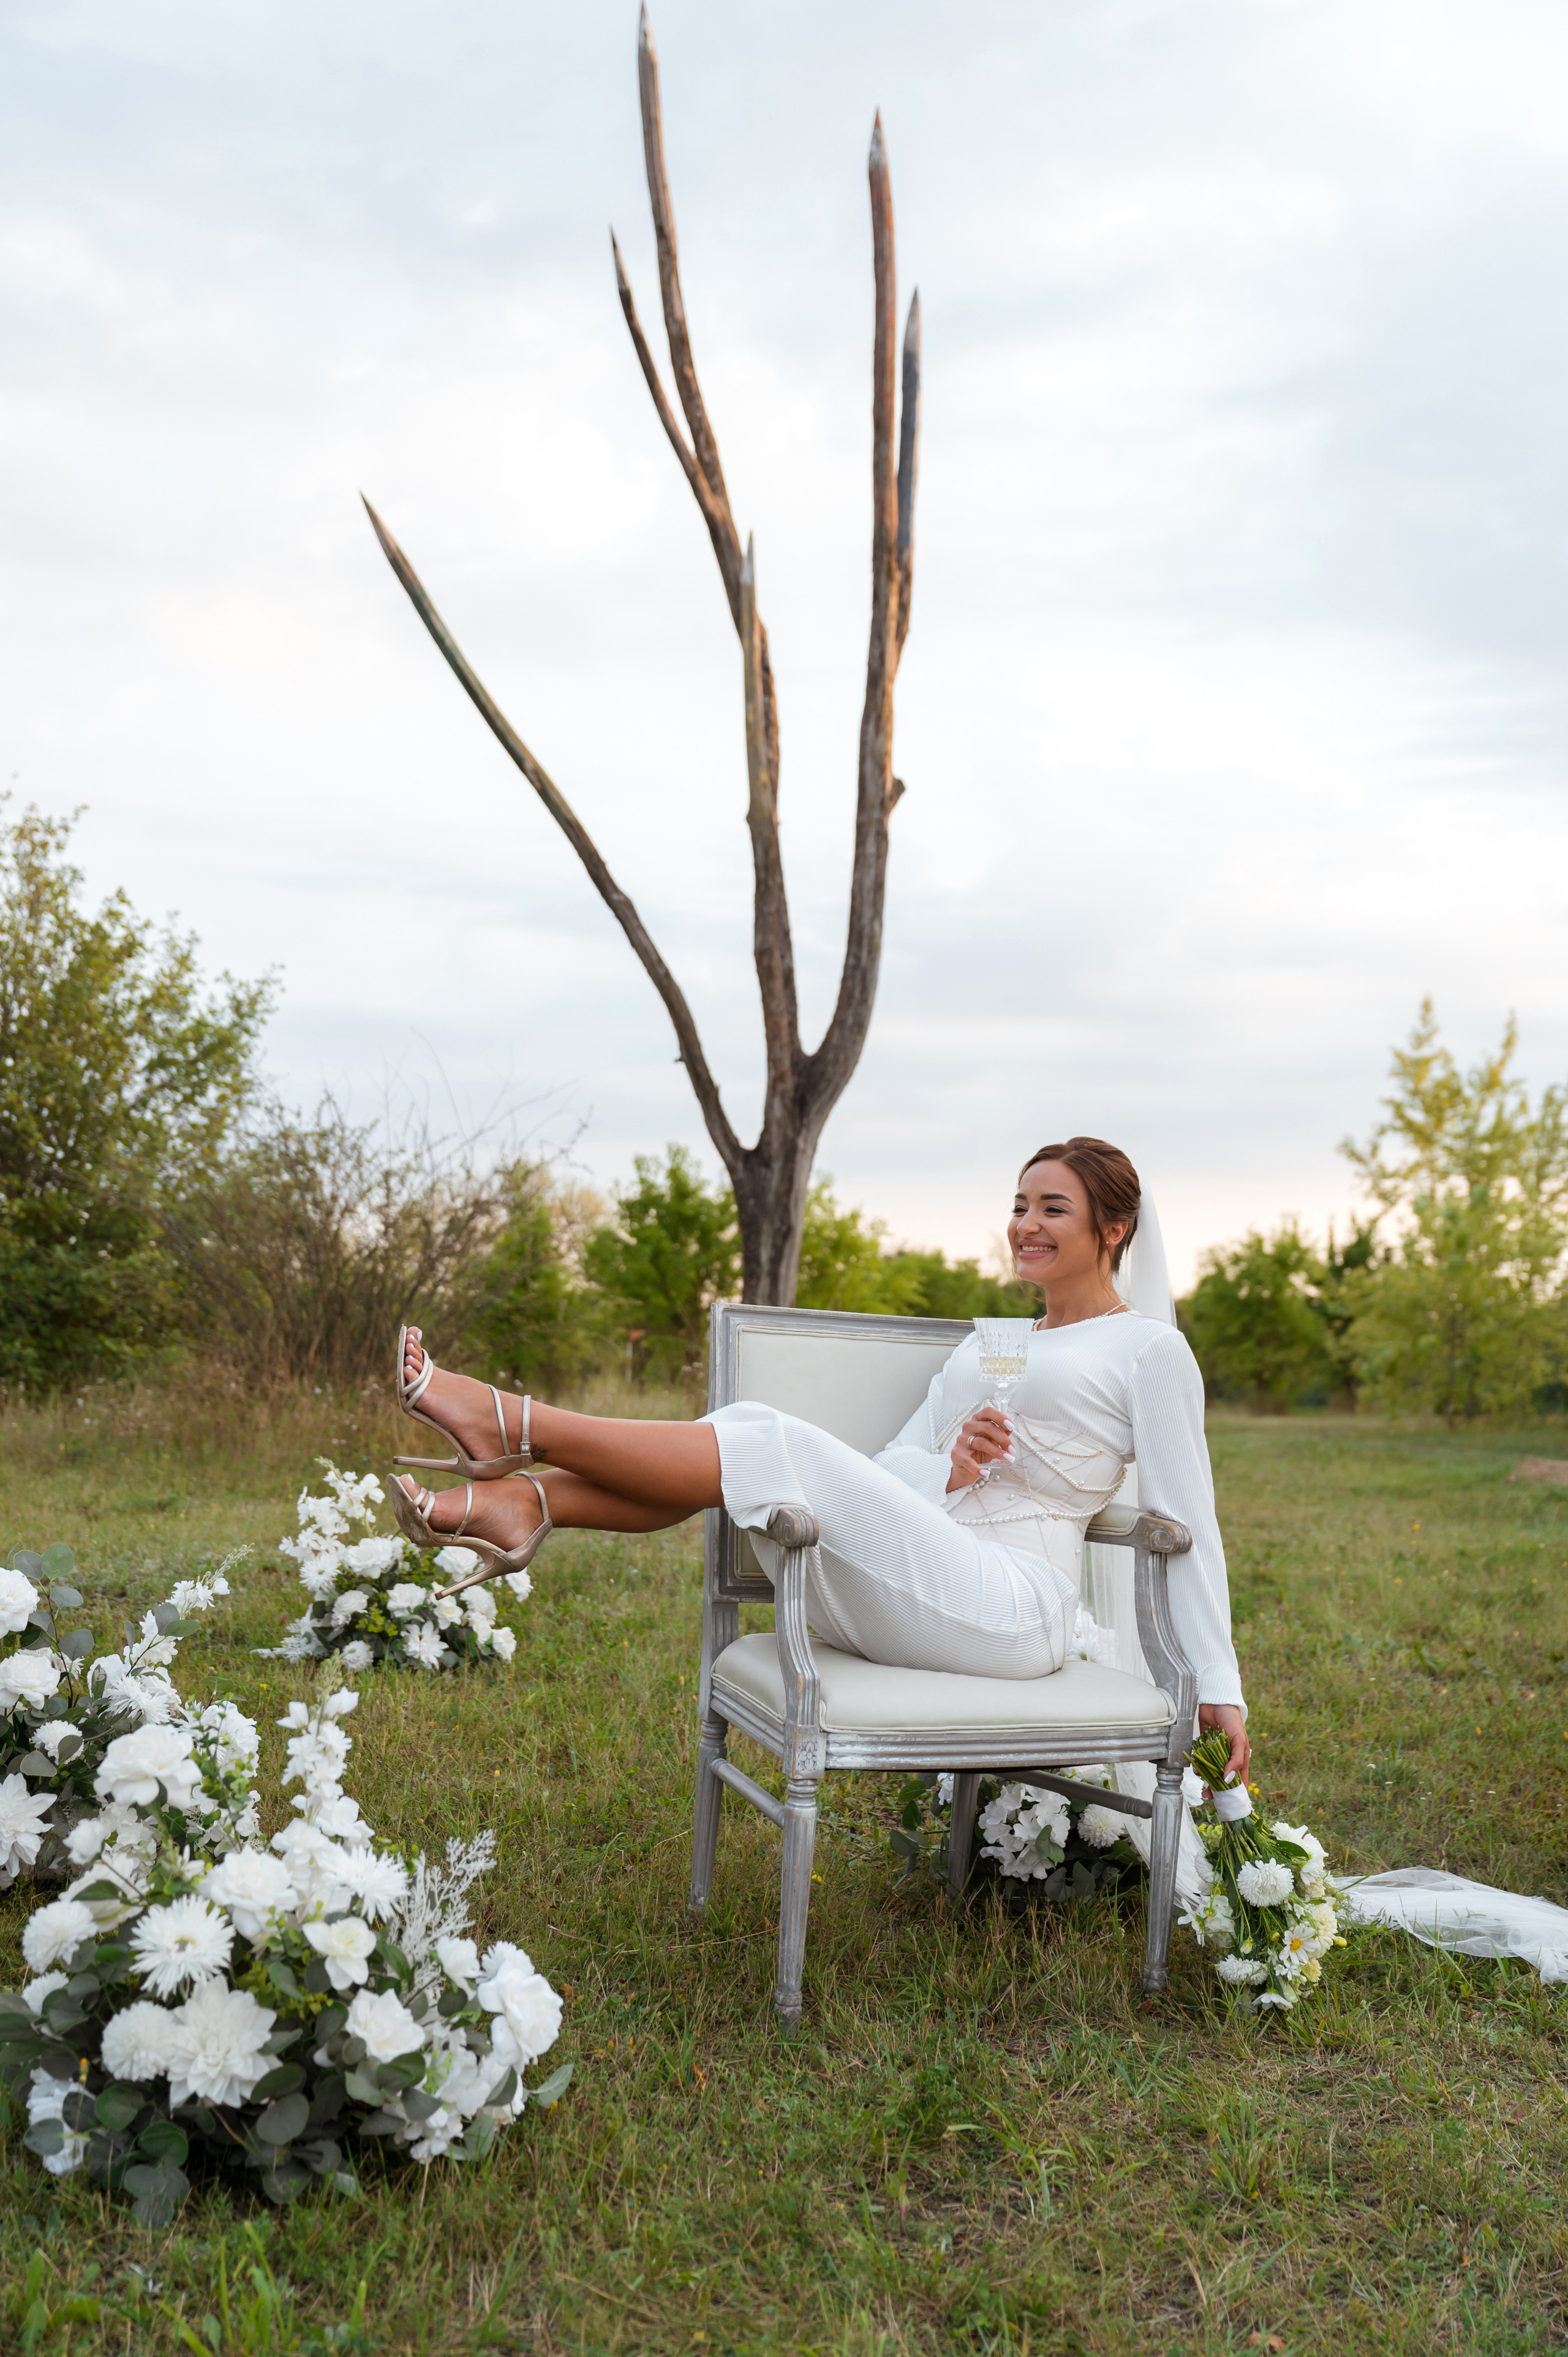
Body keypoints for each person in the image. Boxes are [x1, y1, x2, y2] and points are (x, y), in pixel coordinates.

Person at [391, 1137, 1250, 1781]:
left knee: (764, 1434)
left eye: (1052, 1208)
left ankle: (517, 1437)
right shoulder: (990, 1346)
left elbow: (1189, 1519)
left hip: (1014, 1611)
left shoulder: (1147, 1350)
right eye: (1020, 1204)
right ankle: (532, 1501)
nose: (1025, 1224)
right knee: (760, 1456)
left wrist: (1219, 1683)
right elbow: (894, 1462)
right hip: (892, 1590)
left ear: (1115, 1227)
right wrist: (947, 1468)